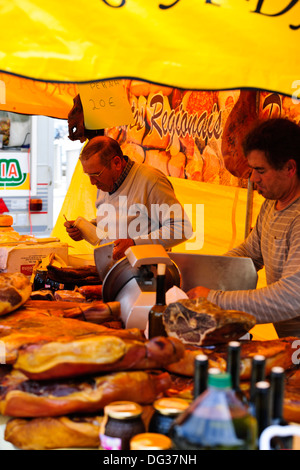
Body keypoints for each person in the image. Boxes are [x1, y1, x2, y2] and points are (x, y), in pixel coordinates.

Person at [188, 118, 300, 324]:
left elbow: (292, 297)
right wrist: (201, 273)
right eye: (252, 169)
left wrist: (214, 299)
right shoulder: (271, 203)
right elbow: (250, 254)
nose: (253, 179)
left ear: (290, 168)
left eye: (261, 170)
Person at [65, 135, 192, 260]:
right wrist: (85, 228)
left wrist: (134, 243)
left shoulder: (151, 181)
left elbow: (182, 228)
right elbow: (113, 220)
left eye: (96, 174)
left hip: (145, 274)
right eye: (88, 175)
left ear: (117, 163)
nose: (92, 182)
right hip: (113, 270)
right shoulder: (104, 183)